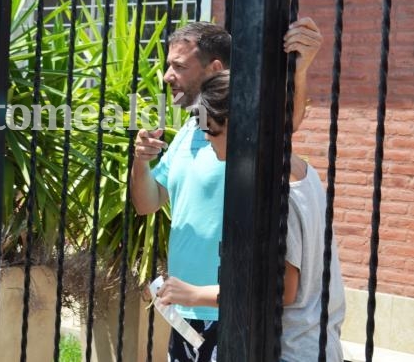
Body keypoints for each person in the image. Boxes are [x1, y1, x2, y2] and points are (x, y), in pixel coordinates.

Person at [131, 19, 322, 361]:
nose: (166, 76)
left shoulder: (243, 132)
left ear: (215, 68)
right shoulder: (193, 127)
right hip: (184, 311)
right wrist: (140, 162)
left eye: (178, 66)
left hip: (227, 311)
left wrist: (301, 68)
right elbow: (148, 204)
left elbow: (281, 126)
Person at [192, 70, 345, 362]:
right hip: (317, 342)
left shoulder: (273, 187)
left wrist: (193, 294)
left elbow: (282, 291)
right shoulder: (300, 169)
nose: (206, 139)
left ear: (239, 124)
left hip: (290, 350)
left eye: (210, 129)